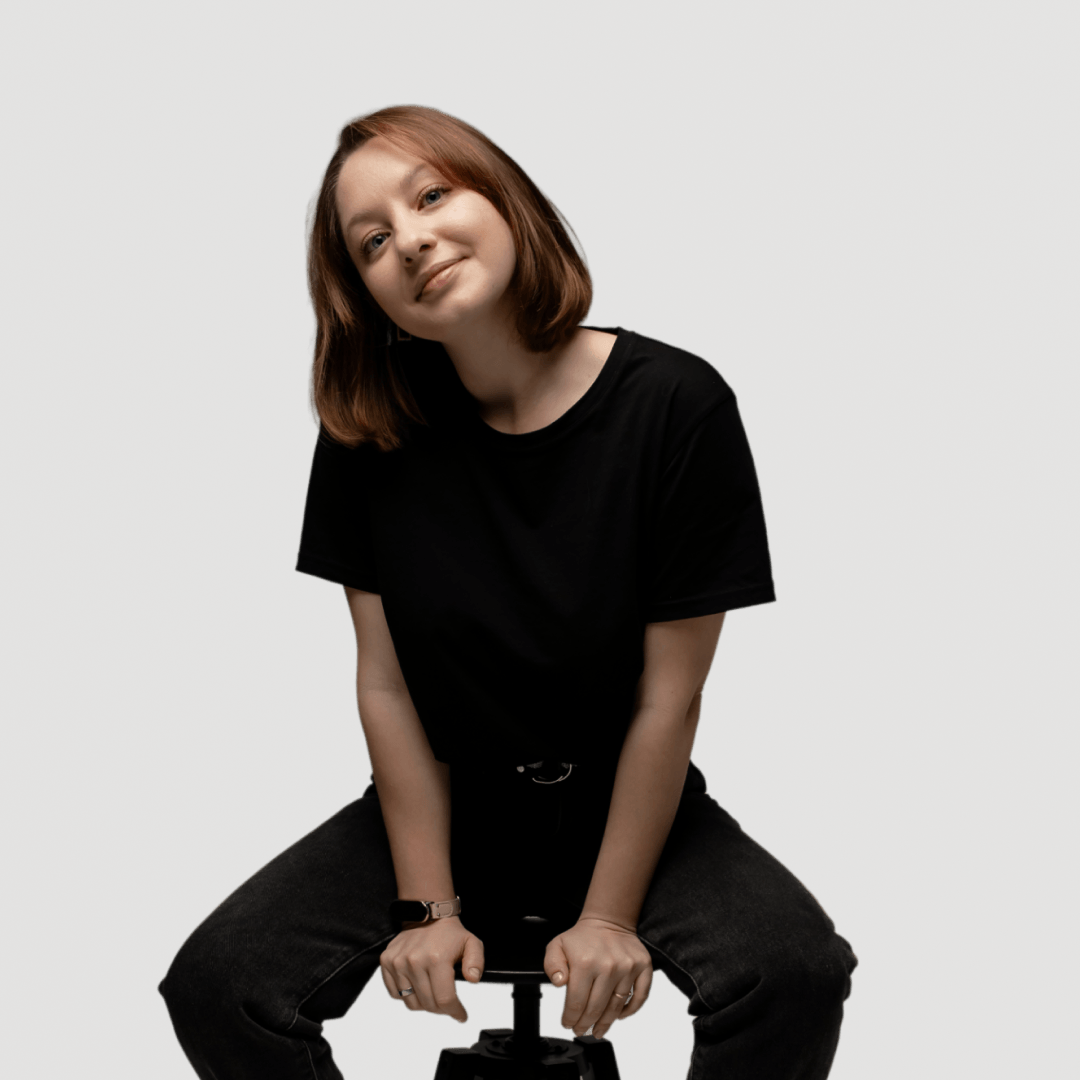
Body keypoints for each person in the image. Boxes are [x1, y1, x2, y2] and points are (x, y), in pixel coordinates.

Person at [157, 104, 858, 1080]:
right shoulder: (370, 430)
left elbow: (670, 697)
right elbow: (386, 685)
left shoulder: (677, 404)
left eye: (431, 195)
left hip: (627, 804)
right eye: (371, 241)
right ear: (364, 293)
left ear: (507, 200)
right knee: (220, 984)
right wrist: (428, 907)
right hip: (450, 805)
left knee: (792, 971)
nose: (411, 241)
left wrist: (609, 916)